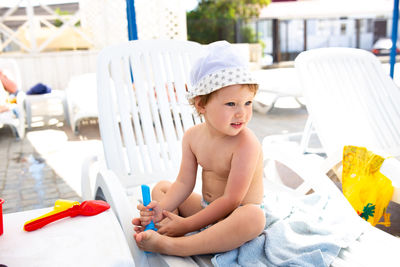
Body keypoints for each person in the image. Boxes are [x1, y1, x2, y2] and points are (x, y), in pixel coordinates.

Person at [132, 41, 266, 256]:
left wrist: (188, 225)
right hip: (206, 209)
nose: (242, 113)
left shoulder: (246, 143)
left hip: (235, 216)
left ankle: (178, 245)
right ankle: (163, 224)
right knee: (164, 188)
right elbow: (184, 183)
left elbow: (233, 200)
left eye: (248, 103)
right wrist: (160, 209)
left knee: (254, 217)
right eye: (231, 104)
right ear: (201, 104)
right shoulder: (192, 137)